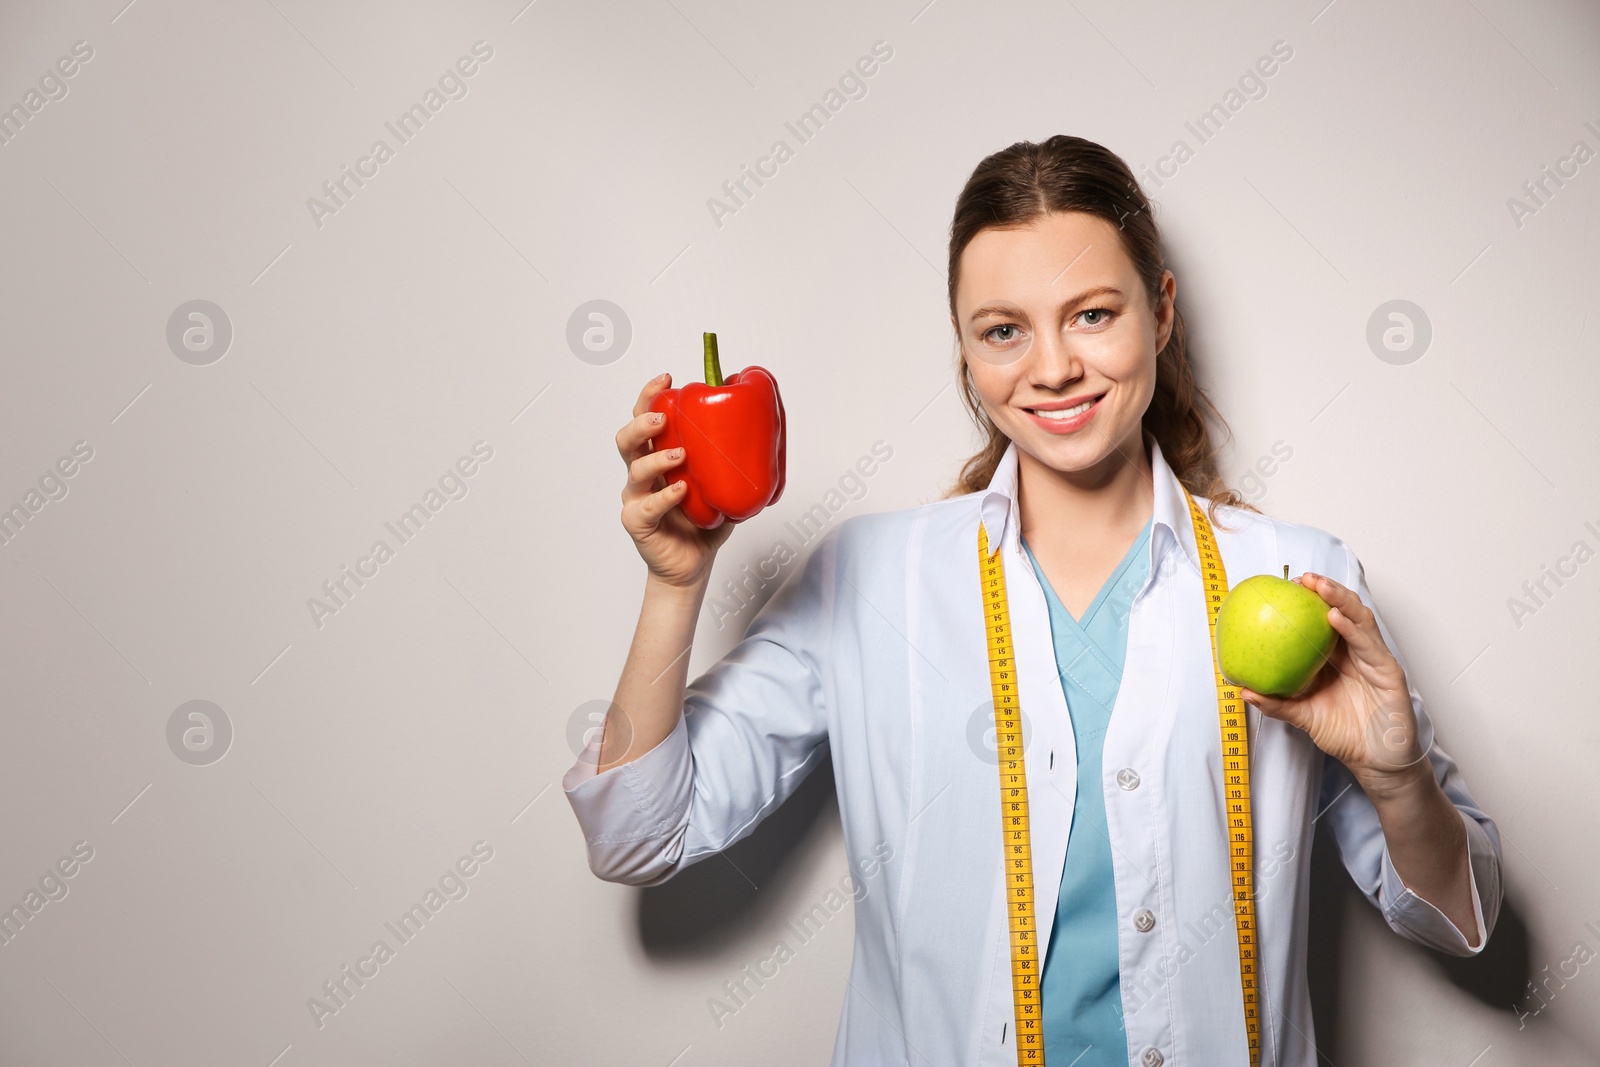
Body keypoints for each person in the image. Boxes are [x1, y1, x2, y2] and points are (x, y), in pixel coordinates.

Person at [563, 135, 1502, 1067]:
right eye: (1003, 330)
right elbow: (642, 834)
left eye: (1092, 314)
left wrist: (1395, 774)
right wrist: (675, 585)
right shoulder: (866, 581)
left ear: (1161, 311)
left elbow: (1462, 917)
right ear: (967, 350)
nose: (1051, 367)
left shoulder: (1295, 575)